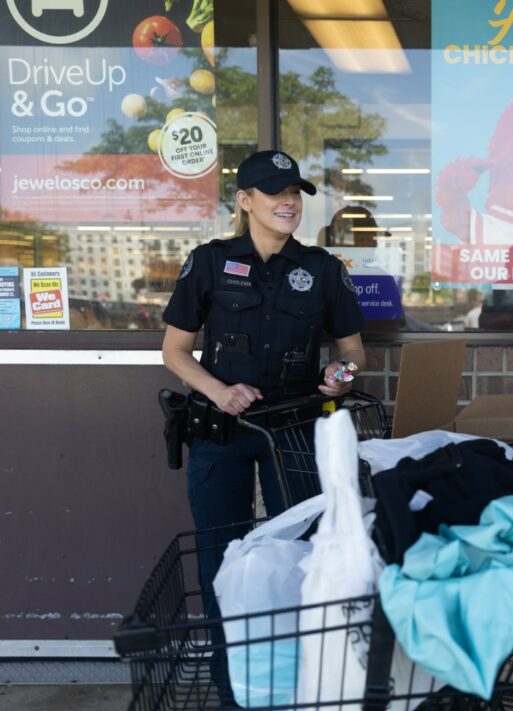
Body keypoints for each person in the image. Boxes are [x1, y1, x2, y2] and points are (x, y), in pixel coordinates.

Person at [161, 149, 366, 705]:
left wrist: (339, 378)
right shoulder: (209, 261)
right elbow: (174, 351)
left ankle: (295, 681)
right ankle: (235, 689)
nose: (289, 202)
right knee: (219, 558)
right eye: (275, 193)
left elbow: (352, 353)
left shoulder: (322, 269)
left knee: (301, 550)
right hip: (220, 432)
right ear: (245, 201)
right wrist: (219, 391)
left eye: (295, 193)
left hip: (295, 429)